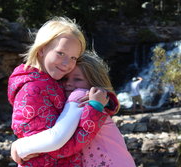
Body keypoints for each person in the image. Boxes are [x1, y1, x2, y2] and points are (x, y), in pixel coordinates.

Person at [8, 17, 109, 167]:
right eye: (61, 53)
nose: (67, 63)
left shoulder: (50, 83)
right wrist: (21, 147)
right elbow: (58, 144)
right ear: (42, 49)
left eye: (73, 57)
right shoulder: (32, 89)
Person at [11, 51, 136, 167]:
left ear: (93, 83)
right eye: (65, 78)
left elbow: (62, 139)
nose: (69, 83)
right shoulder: (90, 101)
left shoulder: (80, 95)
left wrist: (22, 145)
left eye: (77, 79)